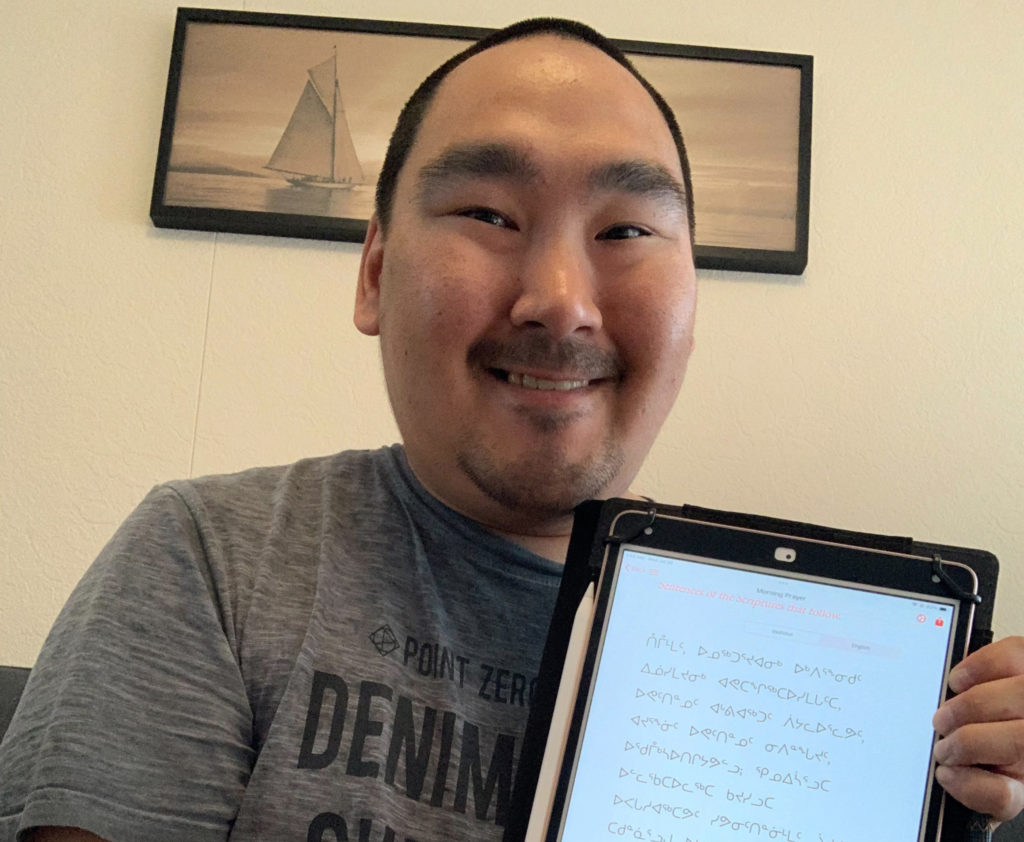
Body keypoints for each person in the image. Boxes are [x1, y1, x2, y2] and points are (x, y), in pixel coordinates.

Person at [1, 17, 1021, 842]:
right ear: (374, 272)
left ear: (692, 304)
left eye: (625, 229)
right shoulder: (210, 561)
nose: (562, 301)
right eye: (489, 214)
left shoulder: (829, 674)